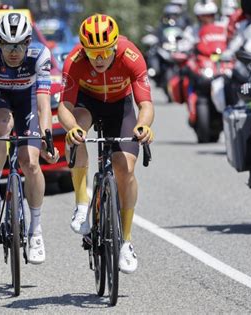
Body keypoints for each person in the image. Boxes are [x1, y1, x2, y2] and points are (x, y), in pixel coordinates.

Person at [58, 14, 155, 274]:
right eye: (93, 53)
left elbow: (145, 104)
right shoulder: (75, 60)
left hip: (119, 108)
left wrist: (143, 126)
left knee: (126, 169)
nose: (99, 59)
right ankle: (81, 205)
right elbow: (64, 107)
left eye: (104, 53)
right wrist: (73, 128)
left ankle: (126, 241)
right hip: (87, 104)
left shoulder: (131, 56)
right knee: (76, 137)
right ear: (83, 49)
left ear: (114, 47)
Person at [0, 12, 59, 264]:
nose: (13, 51)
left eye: (20, 44)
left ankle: (36, 230)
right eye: (7, 45)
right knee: (1, 125)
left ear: (28, 42)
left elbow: (44, 105)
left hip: (29, 99)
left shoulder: (40, 55)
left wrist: (47, 138)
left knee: (30, 162)